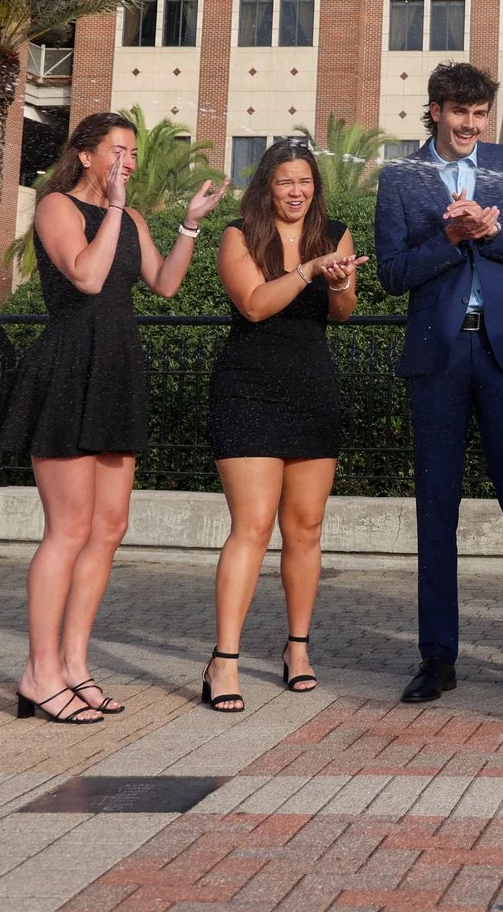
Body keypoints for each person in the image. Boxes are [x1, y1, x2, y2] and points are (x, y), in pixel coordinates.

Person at [0, 111, 221, 724]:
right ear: (87, 155)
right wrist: (117, 209)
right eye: (118, 150)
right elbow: (89, 277)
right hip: (70, 367)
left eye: (131, 151)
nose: (128, 159)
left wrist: (189, 227)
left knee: (108, 527)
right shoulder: (57, 208)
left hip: (118, 369)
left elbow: (165, 284)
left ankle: (74, 665)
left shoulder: (133, 218)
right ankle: (38, 672)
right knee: (67, 529)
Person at [374, 61, 503, 704]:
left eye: (479, 115)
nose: (469, 126)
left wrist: (494, 229)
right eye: (459, 114)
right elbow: (392, 274)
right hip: (439, 356)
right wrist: (451, 237)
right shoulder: (401, 177)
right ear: (435, 111)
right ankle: (437, 658)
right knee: (436, 510)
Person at [200, 140, 360, 712]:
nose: (297, 192)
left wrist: (338, 282)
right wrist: (309, 270)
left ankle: (297, 649)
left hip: (311, 385)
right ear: (267, 185)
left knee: (306, 526)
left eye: (306, 183)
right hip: (248, 386)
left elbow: (342, 313)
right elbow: (255, 304)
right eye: (286, 182)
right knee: (252, 525)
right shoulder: (238, 235)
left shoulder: (335, 232)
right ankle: (224, 661)